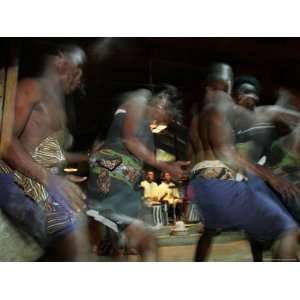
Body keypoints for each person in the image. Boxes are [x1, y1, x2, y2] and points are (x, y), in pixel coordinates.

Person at [187, 63, 299, 261]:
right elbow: (227, 152)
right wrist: (271, 177)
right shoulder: (223, 104)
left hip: (201, 186)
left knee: (211, 231)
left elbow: (193, 160)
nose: (251, 97)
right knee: (287, 228)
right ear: (230, 87)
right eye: (245, 92)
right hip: (227, 181)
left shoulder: (197, 116)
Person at [0, 45, 87, 261]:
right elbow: (5, 141)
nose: (77, 81)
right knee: (69, 230)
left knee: (78, 213)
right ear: (60, 60)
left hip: (35, 178)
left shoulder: (61, 111)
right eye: (76, 72)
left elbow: (50, 156)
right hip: (10, 174)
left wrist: (61, 175)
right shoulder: (31, 88)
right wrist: (49, 178)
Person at [87, 86, 190, 261]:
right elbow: (129, 139)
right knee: (145, 242)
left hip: (126, 184)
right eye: (167, 117)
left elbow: (141, 159)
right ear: (162, 103)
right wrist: (166, 166)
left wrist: (168, 169)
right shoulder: (140, 98)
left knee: (130, 245)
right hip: (112, 178)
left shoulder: (147, 131)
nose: (163, 124)